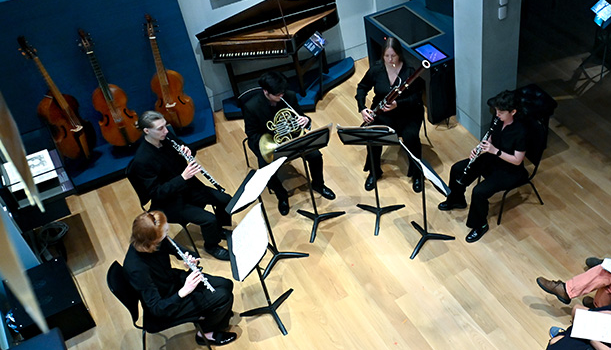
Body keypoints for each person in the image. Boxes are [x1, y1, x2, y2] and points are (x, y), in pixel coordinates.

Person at [127, 111, 232, 261]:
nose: (166, 131)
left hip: (188, 187)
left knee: (225, 199)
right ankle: (211, 245)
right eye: (160, 128)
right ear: (147, 131)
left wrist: (188, 151)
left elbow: (188, 149)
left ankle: (218, 230)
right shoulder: (142, 160)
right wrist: (183, 178)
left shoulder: (167, 137)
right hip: (170, 202)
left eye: (165, 126)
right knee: (209, 219)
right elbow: (156, 193)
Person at [123, 211, 237, 346]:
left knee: (226, 284)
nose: (168, 231)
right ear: (152, 240)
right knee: (224, 296)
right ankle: (205, 333)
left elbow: (185, 252)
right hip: (167, 303)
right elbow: (156, 309)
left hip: (173, 281)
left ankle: (216, 316)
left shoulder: (157, 240)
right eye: (165, 231)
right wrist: (184, 291)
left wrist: (190, 259)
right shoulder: (136, 268)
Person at [439, 90, 529, 243]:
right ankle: (457, 199)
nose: (497, 114)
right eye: (496, 111)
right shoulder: (498, 119)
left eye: (501, 112)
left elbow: (517, 160)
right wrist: (479, 148)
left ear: (513, 111)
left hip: (510, 170)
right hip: (492, 158)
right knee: (457, 169)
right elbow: (491, 136)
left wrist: (495, 151)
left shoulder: (521, 132)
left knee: (479, 191)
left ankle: (480, 225)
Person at [241, 71, 335, 216]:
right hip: (270, 143)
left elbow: (300, 115)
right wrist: (272, 140)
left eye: (282, 92)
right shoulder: (251, 106)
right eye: (278, 94)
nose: (281, 96)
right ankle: (282, 196)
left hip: (292, 138)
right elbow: (252, 134)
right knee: (266, 171)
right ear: (266, 91)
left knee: (316, 156)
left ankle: (318, 184)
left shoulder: (289, 96)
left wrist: (305, 120)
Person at [356, 37, 425, 193]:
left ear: (399, 54)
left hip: (408, 113)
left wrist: (397, 104)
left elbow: (416, 98)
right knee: (373, 136)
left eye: (393, 56)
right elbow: (362, 88)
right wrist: (362, 108)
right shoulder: (376, 69)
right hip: (382, 113)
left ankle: (417, 174)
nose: (389, 59)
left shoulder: (409, 71)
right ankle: (374, 172)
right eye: (386, 56)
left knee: (411, 137)